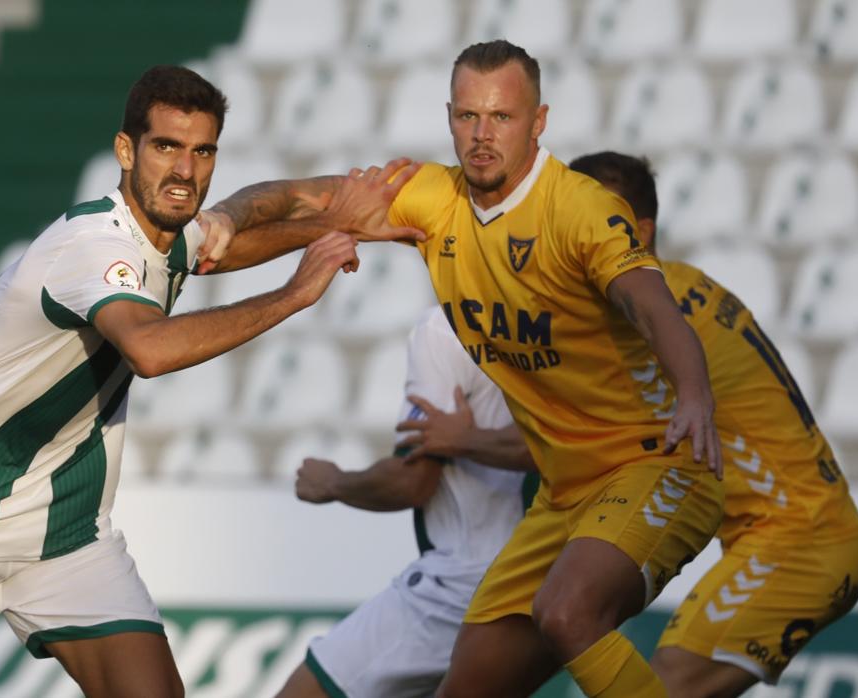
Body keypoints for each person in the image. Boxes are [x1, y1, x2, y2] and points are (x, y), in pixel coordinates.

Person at [0, 65, 420, 698]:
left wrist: (352, 209)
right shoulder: (96, 246)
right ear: (127, 150)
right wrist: (294, 293)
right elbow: (148, 350)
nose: (185, 169)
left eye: (202, 152)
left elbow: (247, 223)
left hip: (65, 528)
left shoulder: (161, 233)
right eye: (166, 147)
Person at [209, 40, 724, 697]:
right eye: (466, 117)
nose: (481, 136)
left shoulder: (578, 210)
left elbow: (650, 304)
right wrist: (220, 223)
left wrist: (693, 392)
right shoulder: (433, 197)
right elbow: (306, 200)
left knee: (566, 614)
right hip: (562, 497)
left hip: (650, 464)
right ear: (448, 115)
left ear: (537, 123)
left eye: (501, 118)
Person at [565, 151, 858, 697]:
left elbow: (575, 438)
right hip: (793, 534)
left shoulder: (654, 315)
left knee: (664, 688)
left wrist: (462, 440)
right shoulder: (680, 287)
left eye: (589, 220)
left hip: (799, 540)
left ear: (639, 231)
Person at [274, 305, 539, 698]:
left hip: (465, 581)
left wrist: (332, 482)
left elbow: (412, 482)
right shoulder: (572, 315)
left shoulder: (449, 327)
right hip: (554, 573)